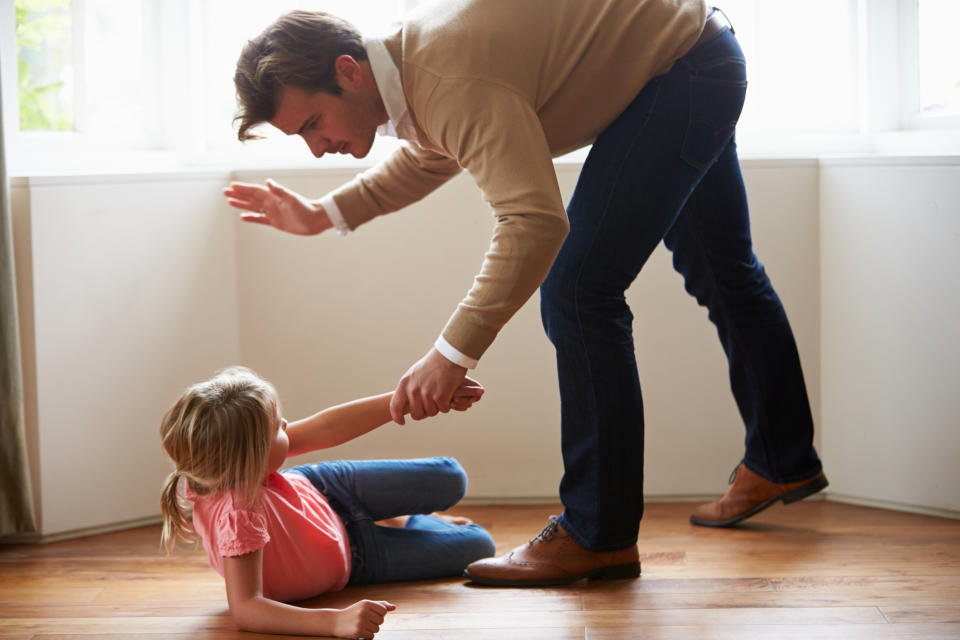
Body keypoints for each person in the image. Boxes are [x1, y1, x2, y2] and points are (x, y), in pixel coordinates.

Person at [223, 0, 827, 588]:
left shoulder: (444, 75)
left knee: (578, 288)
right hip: (695, 54)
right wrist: (325, 213)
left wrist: (451, 353)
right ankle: (781, 458)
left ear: (347, 72)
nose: (315, 146)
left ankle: (597, 534)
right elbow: (434, 153)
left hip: (680, 68)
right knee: (722, 269)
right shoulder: (412, 69)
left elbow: (534, 222)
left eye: (311, 124)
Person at [159, 366, 494, 638]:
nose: (287, 426)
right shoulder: (236, 515)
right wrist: (335, 622)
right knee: (478, 543)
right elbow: (247, 609)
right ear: (250, 458)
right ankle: (401, 520)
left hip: (325, 489)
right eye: (278, 426)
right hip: (357, 556)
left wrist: (407, 399)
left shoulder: (227, 462)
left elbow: (328, 426)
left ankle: (396, 517)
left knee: (451, 475)